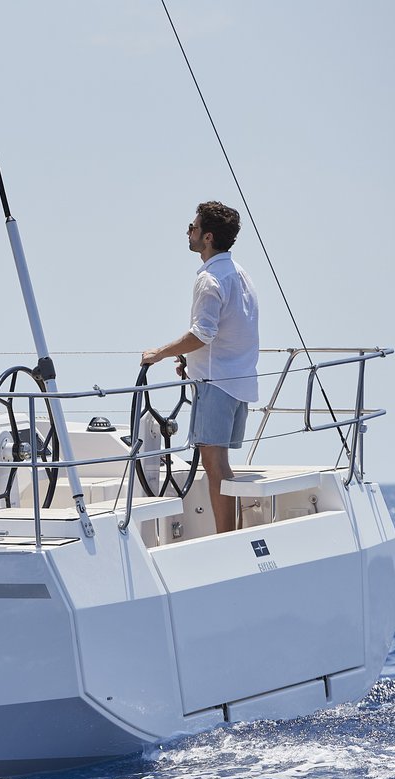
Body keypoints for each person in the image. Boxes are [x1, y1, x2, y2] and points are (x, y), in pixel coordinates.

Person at [141, 201, 259, 534]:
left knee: (214, 463)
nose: (188, 232)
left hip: (216, 384)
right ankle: (231, 534)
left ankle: (227, 538)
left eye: (192, 227)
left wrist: (160, 353)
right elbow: (230, 331)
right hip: (238, 383)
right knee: (221, 464)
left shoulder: (209, 279)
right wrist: (189, 360)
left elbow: (202, 334)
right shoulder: (240, 274)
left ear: (207, 237)